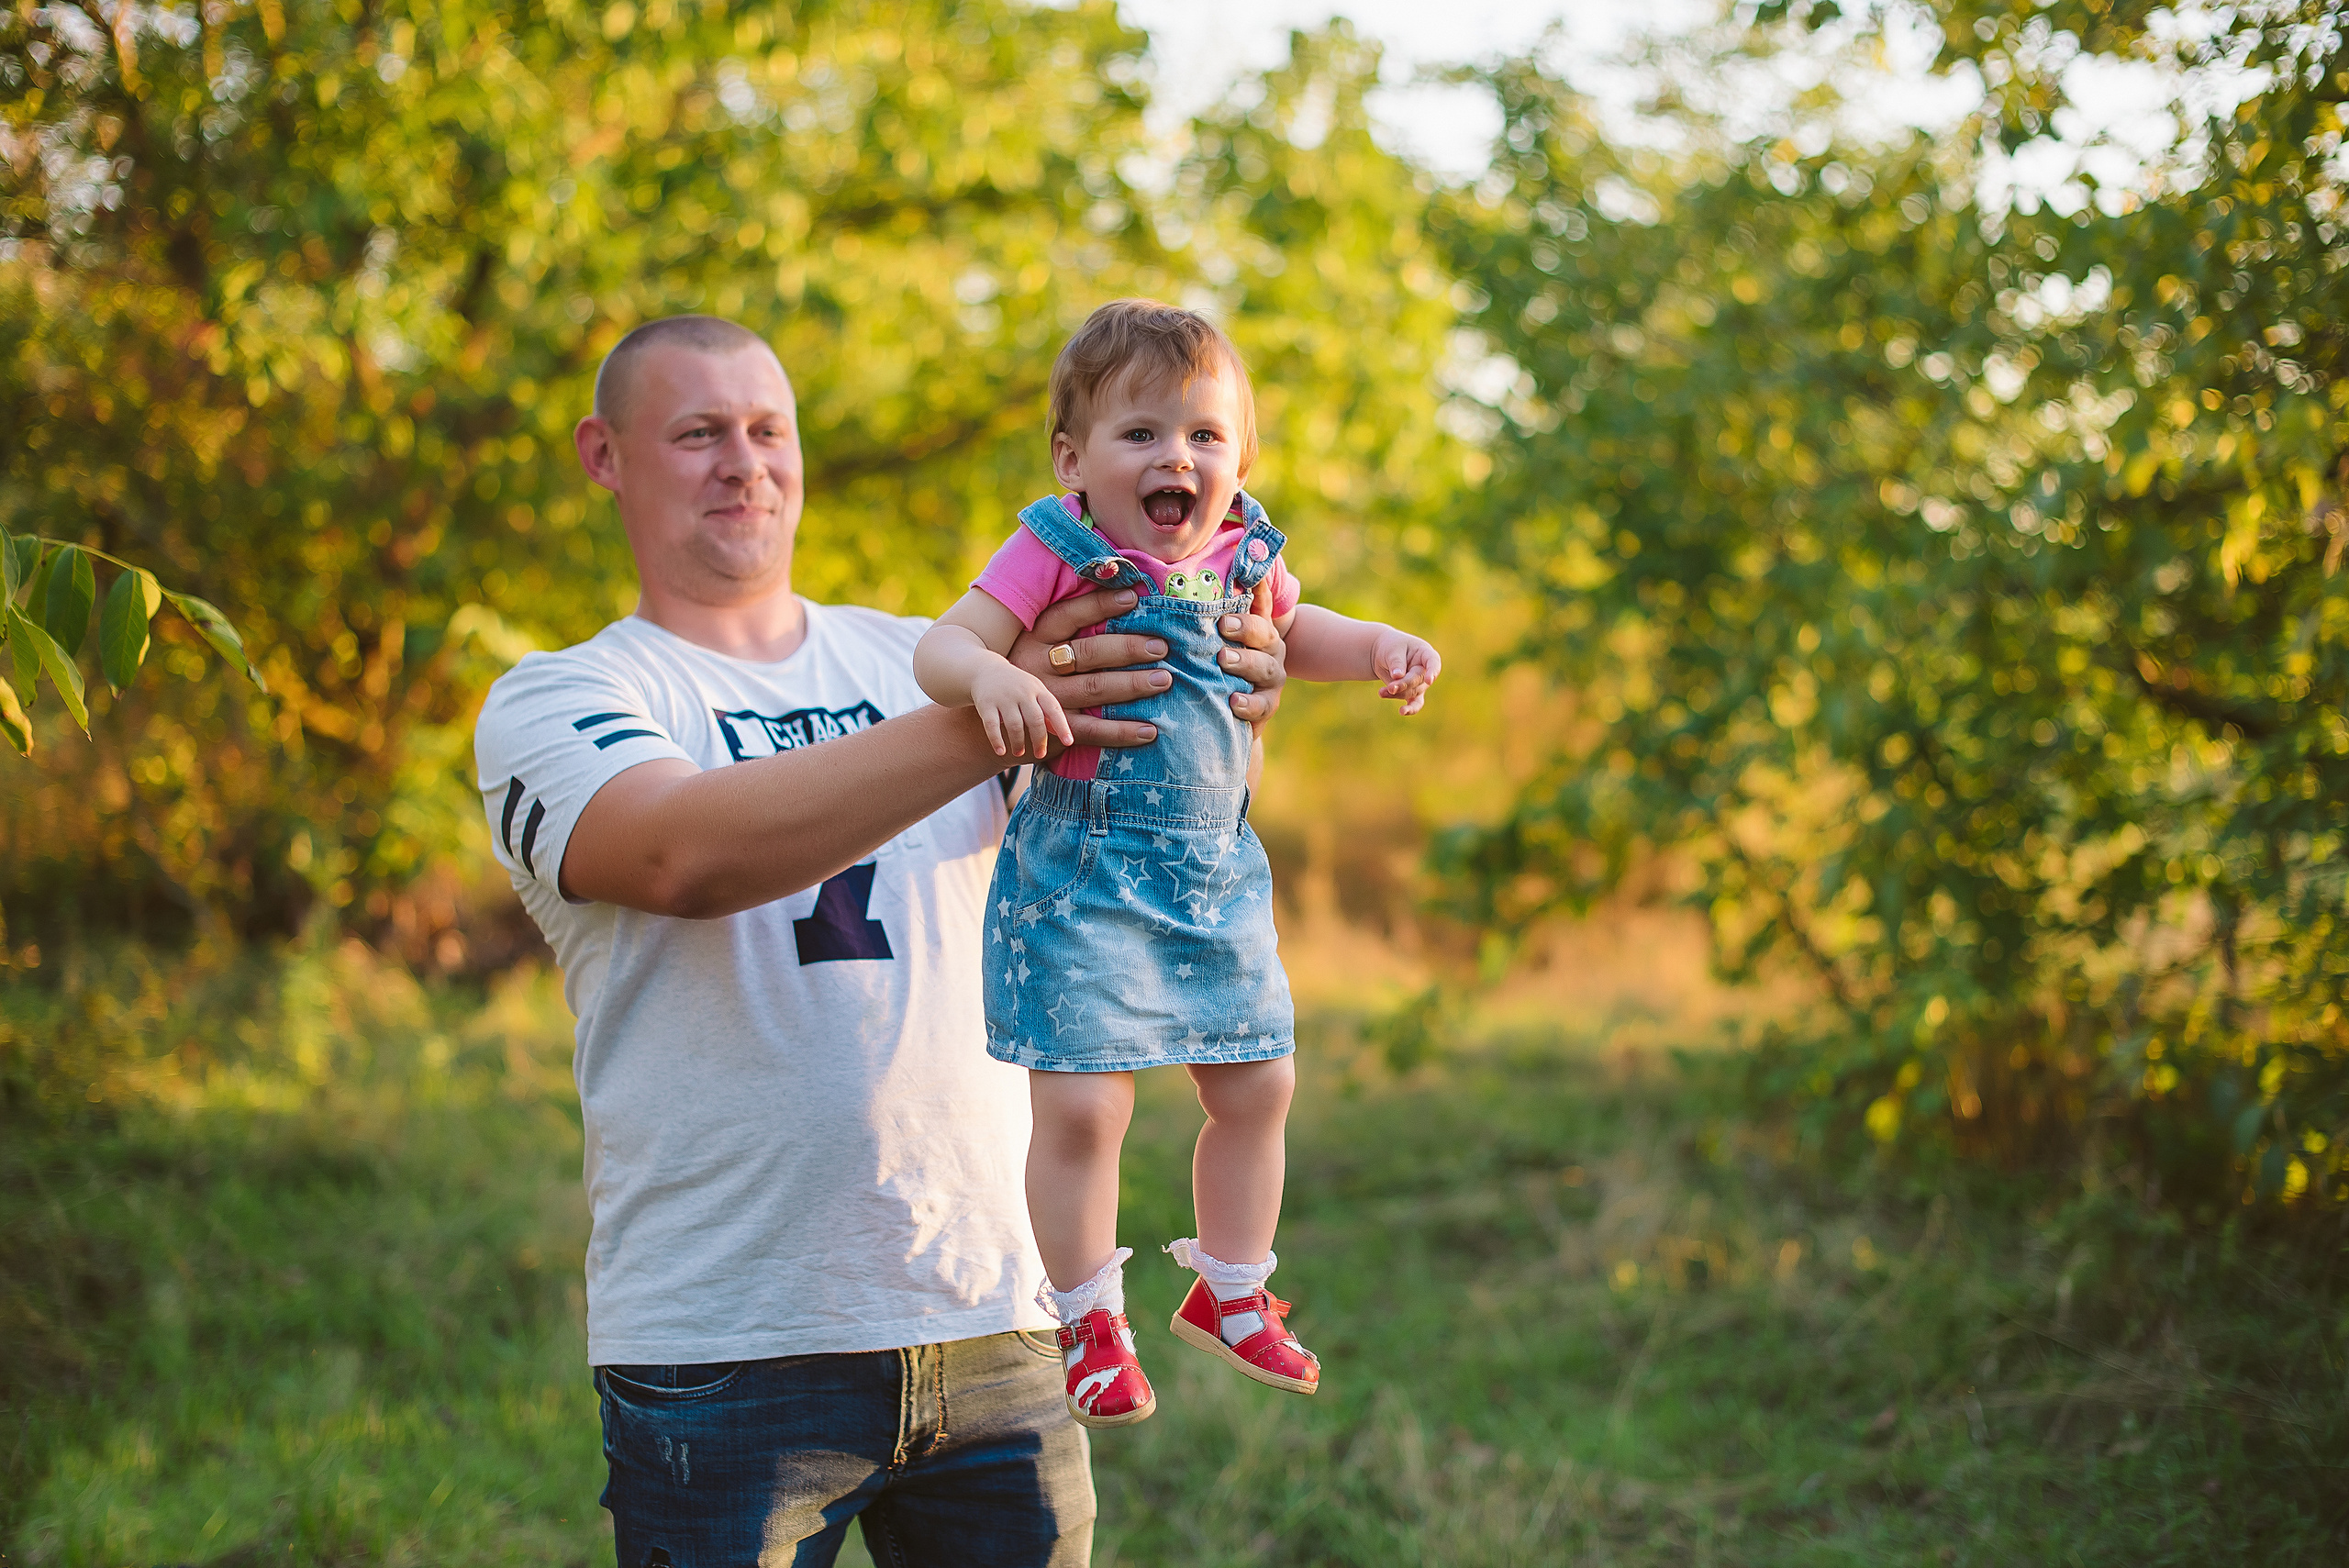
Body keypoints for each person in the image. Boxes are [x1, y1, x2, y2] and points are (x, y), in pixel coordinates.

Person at [471, 314, 1289, 1567]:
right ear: (605, 455)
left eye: (768, 430)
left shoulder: (925, 653)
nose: (744, 463)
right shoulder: (570, 694)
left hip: (1000, 1315)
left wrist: (1221, 696)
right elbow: (678, 853)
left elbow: (1116, 830)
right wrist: (1005, 713)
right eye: (699, 433)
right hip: (728, 1342)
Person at [912, 300, 1440, 1429]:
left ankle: (1233, 1287)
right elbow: (942, 643)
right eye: (1141, 433)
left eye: (1205, 436)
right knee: (1084, 1108)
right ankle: (1089, 1318)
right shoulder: (1055, 551)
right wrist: (991, 676)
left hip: (1210, 875)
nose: (1178, 458)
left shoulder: (1247, 557)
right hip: (1081, 869)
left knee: (1258, 1082)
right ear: (1075, 460)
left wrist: (1384, 646)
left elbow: (1299, 635)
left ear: (1239, 458)